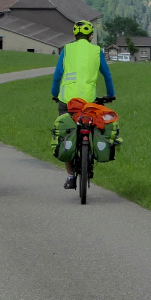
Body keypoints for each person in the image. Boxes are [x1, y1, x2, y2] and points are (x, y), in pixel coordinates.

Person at [51, 20, 116, 189]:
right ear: (91, 36)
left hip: (67, 101)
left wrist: (54, 94)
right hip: (88, 102)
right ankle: (91, 152)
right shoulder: (96, 51)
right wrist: (110, 94)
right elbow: (106, 75)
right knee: (93, 126)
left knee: (65, 135)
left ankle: (71, 175)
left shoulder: (67, 49)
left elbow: (58, 75)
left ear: (74, 36)